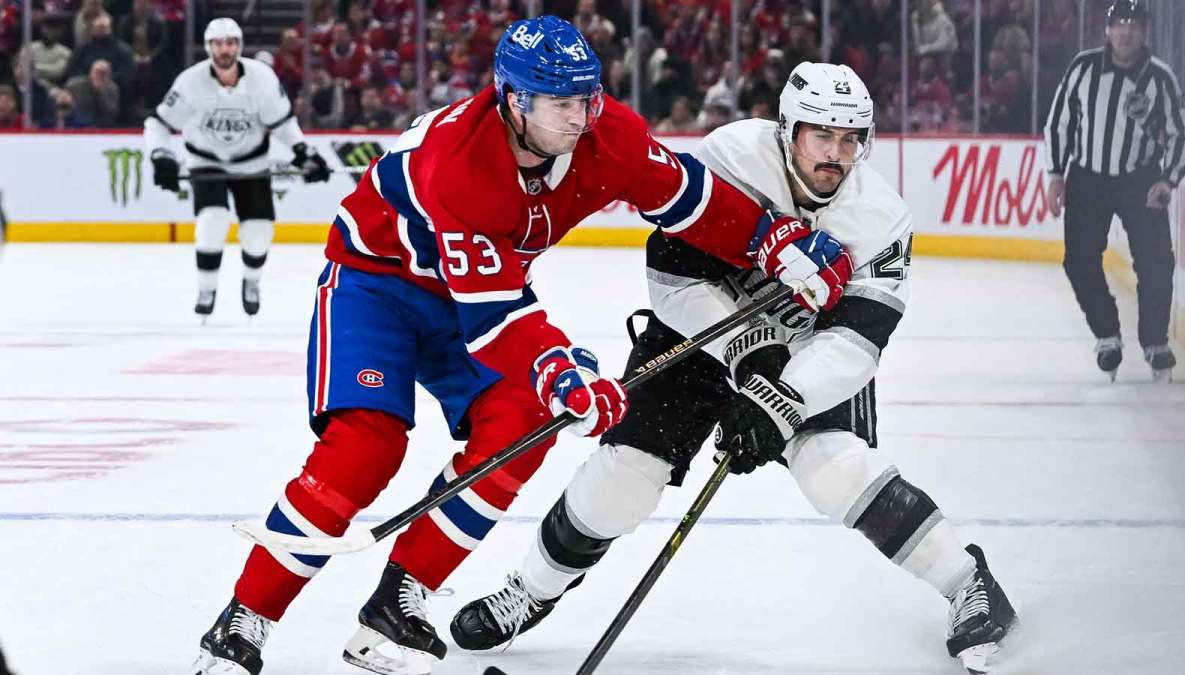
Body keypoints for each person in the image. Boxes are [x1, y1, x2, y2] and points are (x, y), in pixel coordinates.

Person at [189, 16, 837, 675]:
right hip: (377, 287)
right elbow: (495, 313)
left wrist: (769, 240)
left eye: (587, 97)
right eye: (560, 103)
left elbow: (688, 198)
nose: (581, 117)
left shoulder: (606, 132)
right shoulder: (456, 165)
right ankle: (244, 620)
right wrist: (558, 366)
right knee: (365, 447)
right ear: (512, 99)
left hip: (469, 297)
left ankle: (398, 596)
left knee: (525, 419)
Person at [450, 62, 1018, 675]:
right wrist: (749, 354)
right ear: (787, 129)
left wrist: (780, 397)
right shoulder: (732, 157)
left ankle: (968, 581)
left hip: (806, 355)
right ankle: (531, 589)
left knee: (836, 469)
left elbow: (858, 340)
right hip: (701, 332)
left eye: (851, 139)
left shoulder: (882, 217)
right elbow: (673, 279)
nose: (836, 155)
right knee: (622, 477)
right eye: (821, 136)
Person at [1045, 0, 1185, 382]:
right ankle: (1108, 335)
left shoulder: (1159, 78)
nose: (1126, 32)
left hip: (1140, 180)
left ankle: (1154, 342)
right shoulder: (1083, 67)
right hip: (1088, 178)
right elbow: (1060, 123)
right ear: (1108, 31)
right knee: (1078, 261)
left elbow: (1182, 133)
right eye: (1120, 25)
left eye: (1134, 25)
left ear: (1145, 31)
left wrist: (1168, 180)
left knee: (1157, 263)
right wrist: (1056, 174)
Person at [143, 18, 331, 320]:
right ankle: (207, 288)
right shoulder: (190, 82)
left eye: (230, 43)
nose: (224, 49)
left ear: (239, 46)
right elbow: (158, 123)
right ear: (208, 47)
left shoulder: (262, 79)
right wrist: (161, 155)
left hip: (252, 162)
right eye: (218, 43)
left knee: (258, 231)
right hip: (205, 161)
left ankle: (251, 282)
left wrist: (303, 152)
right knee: (212, 221)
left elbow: (282, 124)